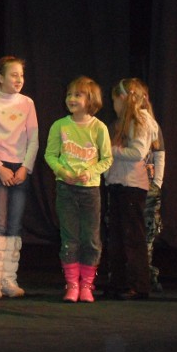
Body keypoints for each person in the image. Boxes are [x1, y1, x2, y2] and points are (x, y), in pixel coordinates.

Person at [45, 76, 112, 303]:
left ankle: (87, 286)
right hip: (66, 189)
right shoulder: (60, 125)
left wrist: (91, 172)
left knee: (91, 239)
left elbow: (107, 159)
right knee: (69, 238)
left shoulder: (99, 128)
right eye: (69, 94)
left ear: (90, 99)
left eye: (78, 95)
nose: (71, 99)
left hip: (90, 191)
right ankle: (72, 285)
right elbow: (50, 155)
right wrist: (63, 173)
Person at [0, 56, 39, 299]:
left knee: (14, 225)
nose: (18, 80)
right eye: (13, 75)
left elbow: (33, 138)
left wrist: (25, 167)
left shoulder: (27, 103)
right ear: (1, 78)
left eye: (21, 76)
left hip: (20, 168)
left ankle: (8, 279)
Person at [105, 78, 159, 300]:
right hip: (119, 183)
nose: (114, 105)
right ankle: (118, 282)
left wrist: (110, 151)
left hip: (132, 186)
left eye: (115, 100)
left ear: (123, 99)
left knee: (132, 236)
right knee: (116, 235)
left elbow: (137, 153)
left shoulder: (141, 120)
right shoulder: (124, 122)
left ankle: (139, 285)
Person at [142, 91, 166, 292]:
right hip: (127, 188)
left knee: (148, 234)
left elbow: (160, 155)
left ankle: (147, 274)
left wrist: (157, 183)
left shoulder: (153, 127)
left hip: (149, 190)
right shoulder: (120, 126)